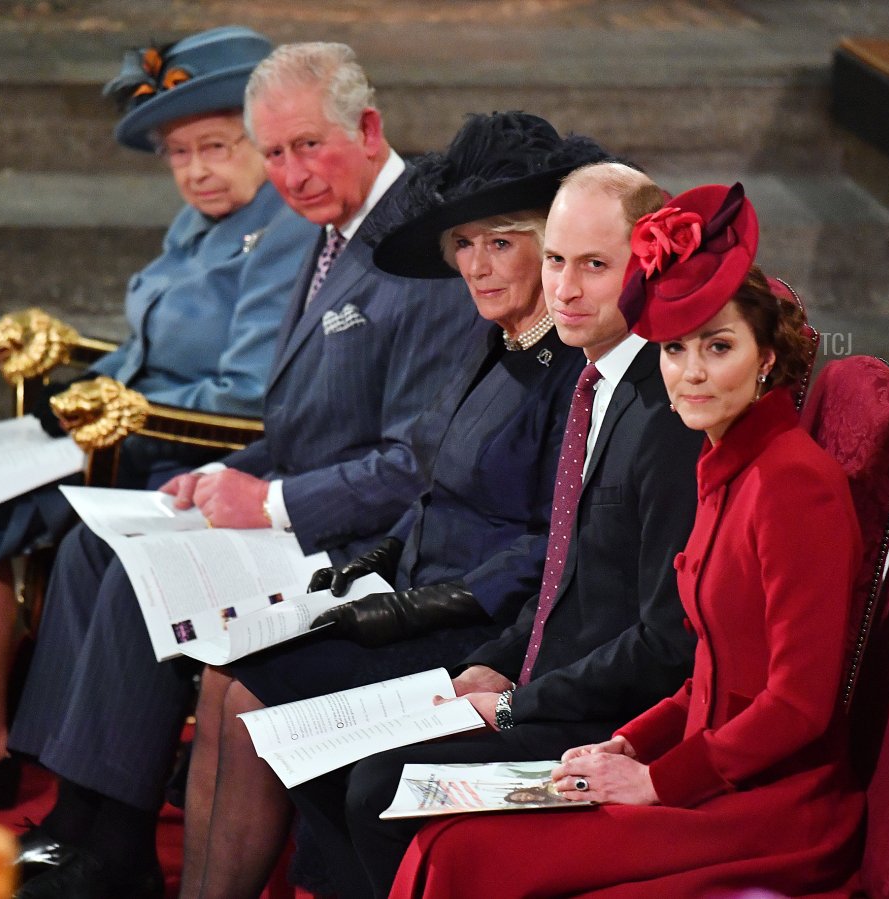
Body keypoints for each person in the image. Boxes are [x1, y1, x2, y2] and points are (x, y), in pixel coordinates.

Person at [6, 42, 478, 899]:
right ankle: (79, 816)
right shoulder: (327, 225)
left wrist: (272, 499)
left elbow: (420, 460)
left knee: (138, 575)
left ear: (368, 129)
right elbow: (302, 420)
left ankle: (111, 842)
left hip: (376, 542)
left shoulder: (421, 246)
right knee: (94, 544)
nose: (290, 174)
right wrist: (223, 473)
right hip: (306, 501)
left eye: (308, 146)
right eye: (273, 152)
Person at [0, 26, 316, 808]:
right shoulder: (199, 223)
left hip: (188, 449)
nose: (198, 170)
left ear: (263, 137)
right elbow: (145, 351)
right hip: (132, 426)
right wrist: (75, 382)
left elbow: (248, 394)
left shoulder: (285, 228)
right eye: (180, 154)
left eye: (216, 144)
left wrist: (114, 410)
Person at [388, 183, 866, 899]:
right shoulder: (723, 465)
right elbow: (709, 670)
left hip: (766, 801)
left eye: (719, 346)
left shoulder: (794, 481)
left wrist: (656, 775)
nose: (693, 371)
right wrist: (632, 740)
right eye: (675, 349)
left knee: (464, 852)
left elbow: (798, 706)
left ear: (768, 357)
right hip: (696, 764)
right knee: (446, 834)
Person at [179, 110, 609, 899]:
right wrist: (371, 568)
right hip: (413, 598)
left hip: (479, 626)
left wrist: (413, 607)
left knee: (246, 696)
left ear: (549, 248)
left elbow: (551, 546)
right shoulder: (493, 339)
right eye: (464, 245)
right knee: (221, 669)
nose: (477, 266)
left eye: (501, 243)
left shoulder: (569, 369)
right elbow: (433, 482)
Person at [291, 161, 703, 898]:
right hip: (540, 683)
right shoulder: (594, 381)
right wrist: (493, 661)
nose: (565, 290)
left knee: (376, 788)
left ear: (646, 268)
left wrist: (518, 701)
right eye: (555, 261)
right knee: (316, 756)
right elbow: (563, 576)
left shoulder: (667, 411)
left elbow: (666, 639)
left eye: (595, 266)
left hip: (607, 724)